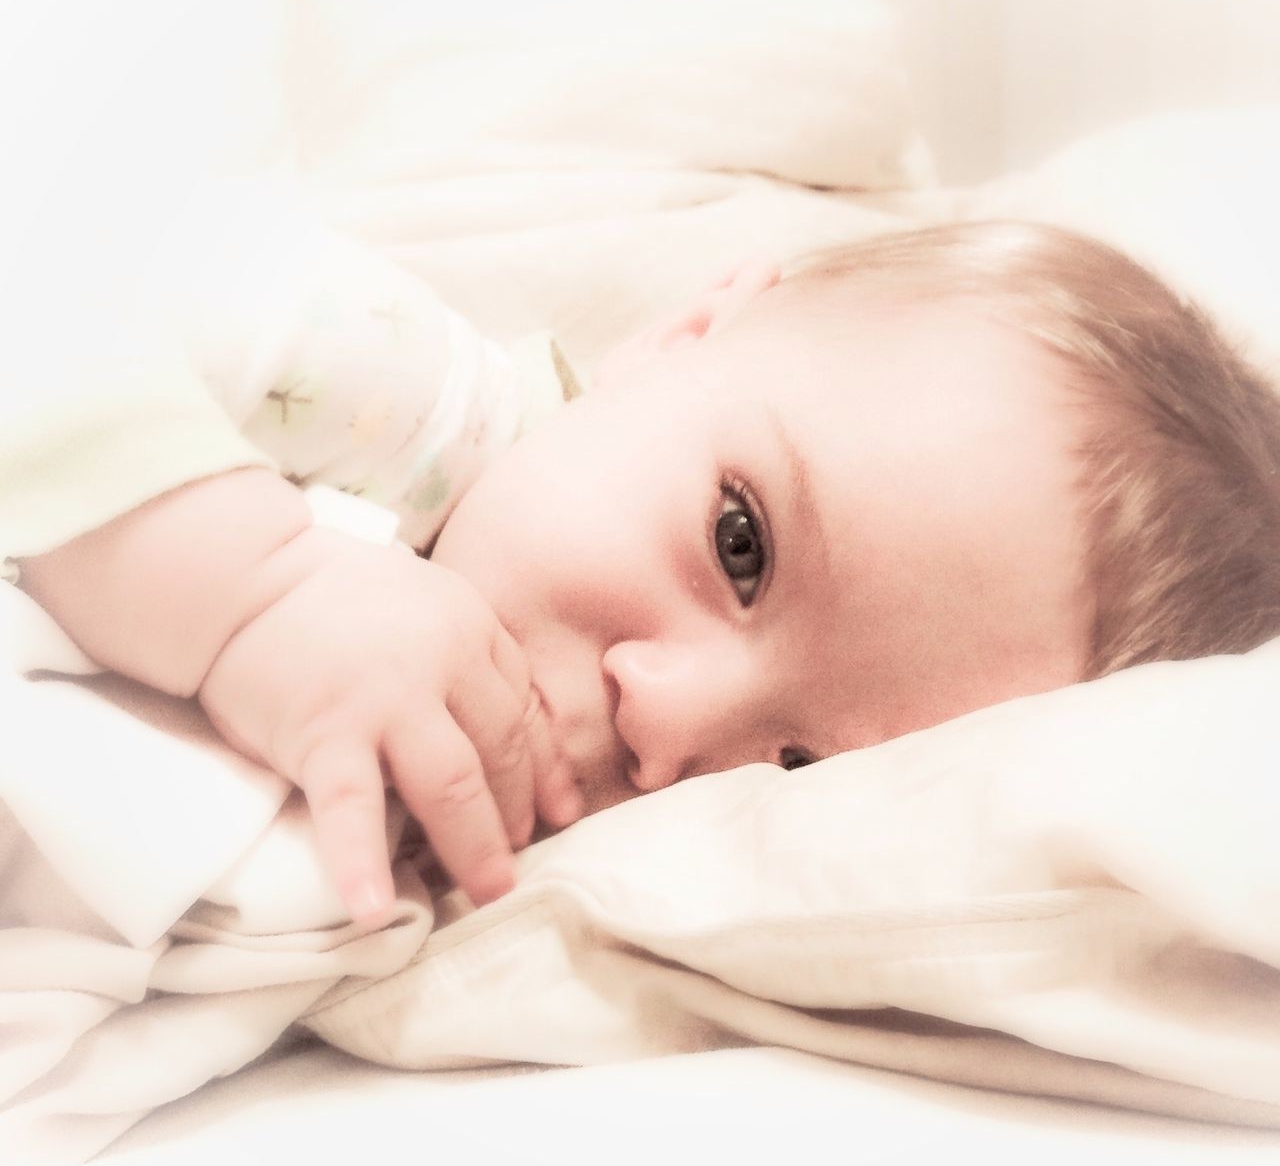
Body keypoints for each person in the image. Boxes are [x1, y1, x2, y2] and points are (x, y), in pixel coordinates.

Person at [13, 220, 1280, 929]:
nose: (667, 721)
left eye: (802, 767)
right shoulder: (384, 393)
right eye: (742, 544)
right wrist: (252, 591)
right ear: (685, 333)